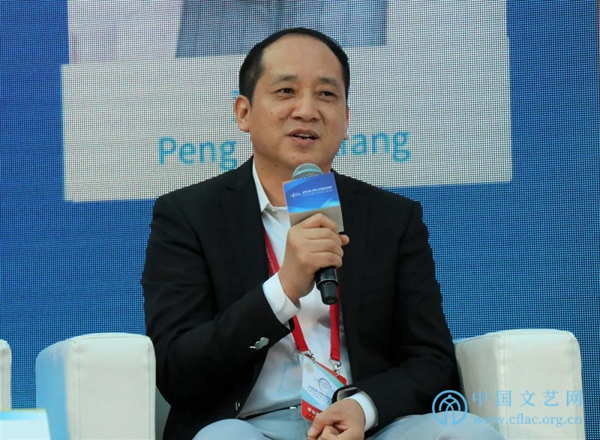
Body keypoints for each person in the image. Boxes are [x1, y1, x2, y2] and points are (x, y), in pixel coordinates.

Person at [142, 28, 503, 440]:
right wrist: (283, 290)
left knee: (466, 432)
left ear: (346, 120)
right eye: (286, 91)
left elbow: (432, 361)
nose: (307, 110)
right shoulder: (189, 215)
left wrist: (364, 407)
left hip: (365, 426)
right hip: (248, 427)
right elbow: (177, 368)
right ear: (243, 113)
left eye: (326, 95)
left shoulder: (391, 218)